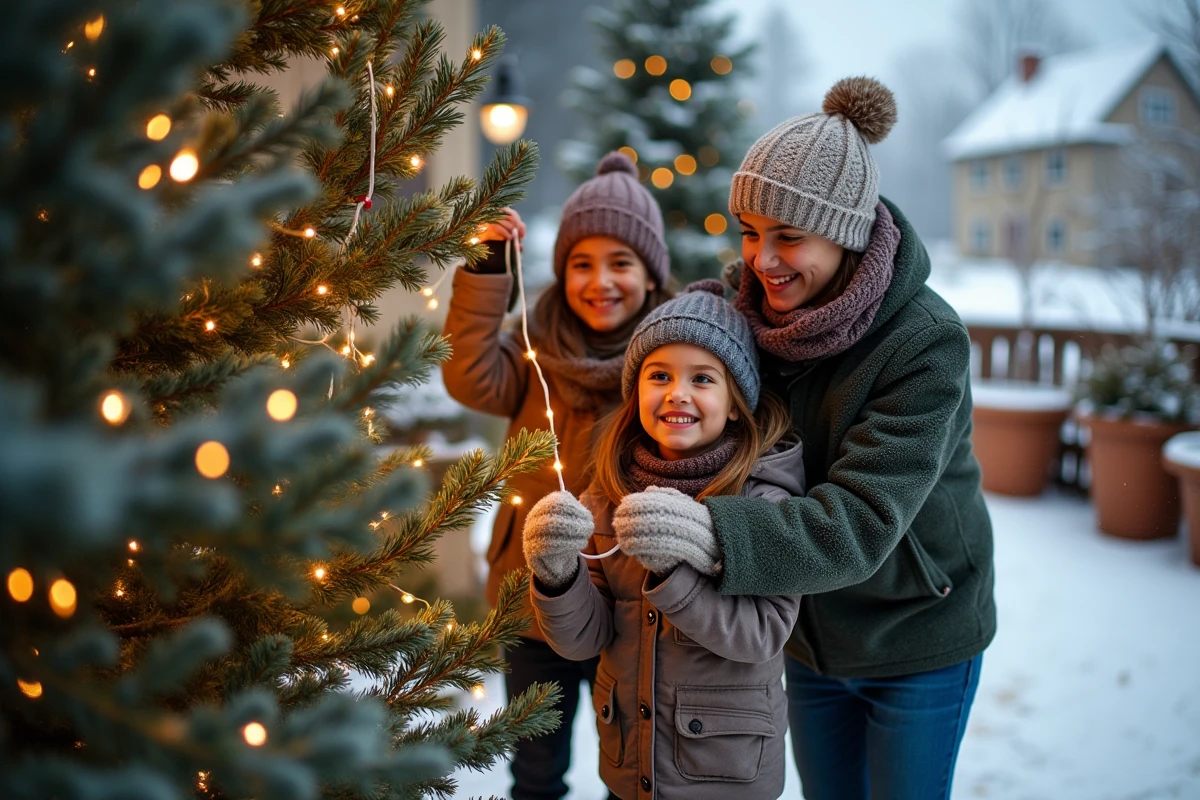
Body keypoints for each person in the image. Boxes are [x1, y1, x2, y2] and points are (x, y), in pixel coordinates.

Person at [610, 77, 997, 800]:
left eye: (789, 236)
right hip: (802, 633)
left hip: (914, 632)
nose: (764, 260)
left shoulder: (924, 343)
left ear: (846, 235)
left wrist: (708, 531)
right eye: (751, 234)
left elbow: (862, 520)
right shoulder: (746, 315)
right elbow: (661, 367)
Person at [441, 151, 673, 800]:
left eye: (621, 262)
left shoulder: (672, 358)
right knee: (535, 772)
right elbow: (467, 373)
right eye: (582, 264)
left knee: (629, 768)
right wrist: (489, 268)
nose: (601, 281)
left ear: (652, 275)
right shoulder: (534, 345)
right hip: (532, 600)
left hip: (628, 604)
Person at [523, 282, 803, 800]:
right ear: (637, 394)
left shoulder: (765, 502)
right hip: (632, 766)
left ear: (737, 403)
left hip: (725, 774)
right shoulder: (609, 490)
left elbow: (764, 634)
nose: (677, 393)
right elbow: (584, 640)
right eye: (659, 376)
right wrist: (558, 574)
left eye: (702, 378)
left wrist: (677, 573)